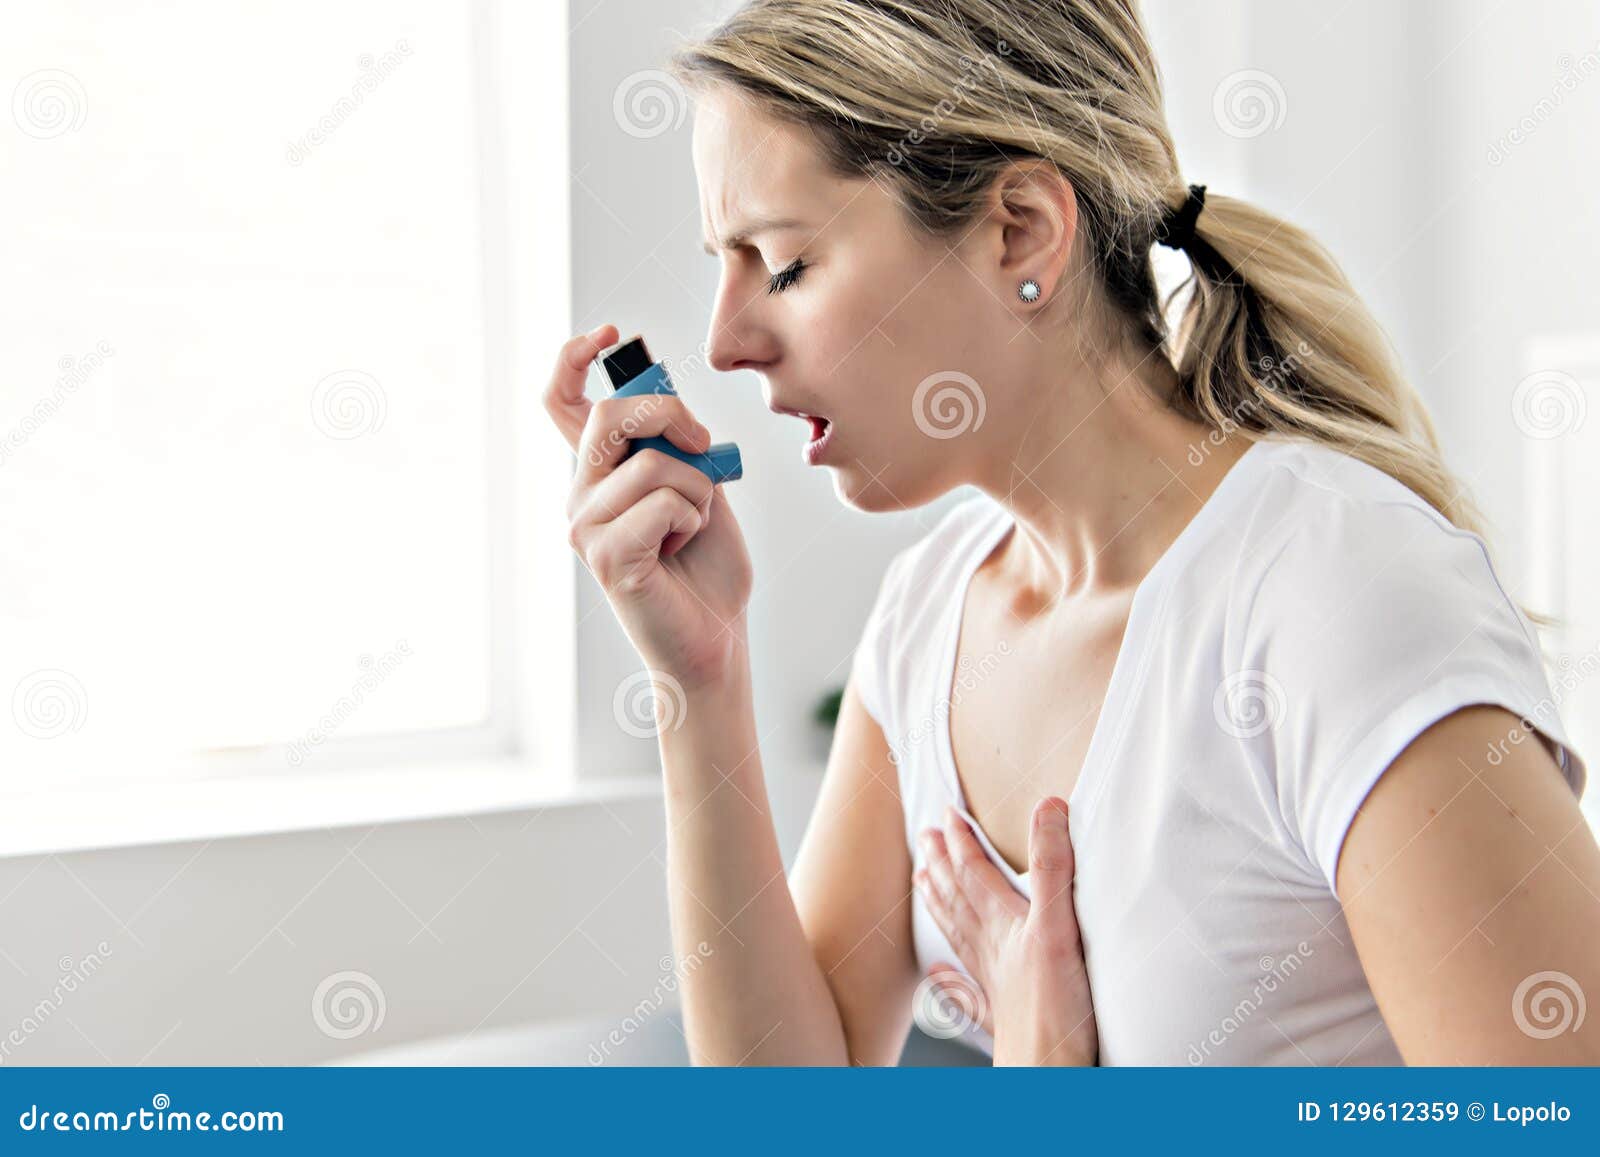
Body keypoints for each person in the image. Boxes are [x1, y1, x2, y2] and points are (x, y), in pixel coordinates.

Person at [543, 0, 1597, 1065]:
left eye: (783, 263)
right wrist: (701, 675)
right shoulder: (930, 614)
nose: (725, 341)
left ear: (1020, 231)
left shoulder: (1334, 591)